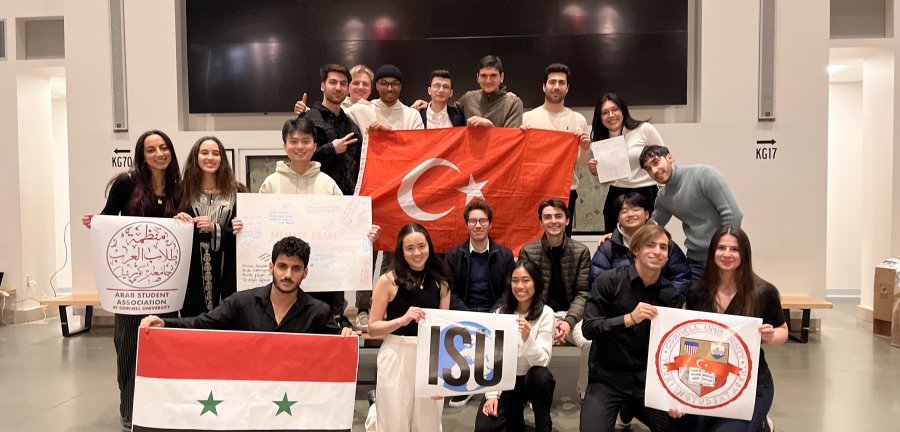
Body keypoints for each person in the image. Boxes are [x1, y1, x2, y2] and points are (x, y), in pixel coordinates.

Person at [81, 130, 181, 431]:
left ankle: (159, 405)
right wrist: (95, 222)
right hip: (131, 284)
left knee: (163, 345)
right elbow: (109, 218)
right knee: (128, 344)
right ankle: (129, 407)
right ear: (142, 154)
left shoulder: (178, 187)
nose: (159, 154)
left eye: (164, 148)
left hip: (166, 286)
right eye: (151, 149)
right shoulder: (127, 183)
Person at [255, 117, 379, 330]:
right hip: (282, 281)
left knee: (318, 336)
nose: (300, 147)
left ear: (314, 145)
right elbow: (256, 226)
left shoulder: (328, 184)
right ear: (284, 146)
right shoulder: (270, 184)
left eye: (306, 141)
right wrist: (243, 226)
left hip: (324, 281)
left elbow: (345, 226)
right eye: (294, 141)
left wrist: (364, 235)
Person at [668, 226, 787, 432]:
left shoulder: (764, 292)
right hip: (705, 378)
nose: (727, 254)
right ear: (712, 251)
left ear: (745, 254)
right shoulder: (697, 291)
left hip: (750, 383)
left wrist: (771, 336)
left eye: (735, 249)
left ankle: (760, 422)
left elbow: (783, 330)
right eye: (721, 248)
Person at [580, 224, 685, 432]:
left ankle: (629, 408)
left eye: (663, 248)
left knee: (684, 425)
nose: (657, 251)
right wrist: (628, 318)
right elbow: (589, 328)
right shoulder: (608, 281)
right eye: (650, 245)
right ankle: (623, 407)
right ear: (636, 249)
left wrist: (675, 393)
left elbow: (674, 347)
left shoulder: (671, 295)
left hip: (647, 381)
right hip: (607, 378)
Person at [140, 236, 353, 337]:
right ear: (271, 267)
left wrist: (347, 335)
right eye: (282, 266)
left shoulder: (318, 312)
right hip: (249, 395)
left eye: (296, 268)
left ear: (305, 272)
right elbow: (202, 323)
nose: (288, 275)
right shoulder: (241, 302)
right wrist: (165, 323)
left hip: (294, 396)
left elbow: (336, 344)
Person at [367, 223, 451, 432]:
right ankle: (375, 409)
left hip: (429, 356)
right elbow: (373, 328)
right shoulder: (388, 281)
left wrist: (443, 376)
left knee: (428, 422)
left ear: (429, 247)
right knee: (393, 421)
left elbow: (444, 333)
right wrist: (401, 321)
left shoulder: (442, 283)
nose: (417, 253)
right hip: (396, 353)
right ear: (401, 251)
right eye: (410, 248)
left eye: (421, 246)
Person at [443, 200, 516, 407]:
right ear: (466, 224)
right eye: (473, 221)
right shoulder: (452, 255)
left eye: (482, 221)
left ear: (490, 225)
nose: (478, 225)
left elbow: (508, 290)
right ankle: (464, 385)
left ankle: (494, 389)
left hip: (495, 311)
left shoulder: (505, 255)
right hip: (463, 312)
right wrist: (468, 315)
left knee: (498, 330)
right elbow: (450, 291)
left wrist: (495, 312)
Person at [518, 198, 591, 400]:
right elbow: (525, 292)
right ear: (541, 222)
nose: (553, 221)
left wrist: (568, 322)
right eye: (547, 217)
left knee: (588, 342)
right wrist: (548, 319)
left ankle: (584, 390)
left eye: (558, 216)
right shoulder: (528, 251)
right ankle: (534, 391)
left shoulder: (581, 251)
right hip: (540, 314)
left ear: (567, 220)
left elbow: (583, 292)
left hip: (572, 316)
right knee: (526, 337)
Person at [474, 259, 556, 432]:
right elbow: (492, 357)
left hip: (530, 380)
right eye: (515, 280)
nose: (520, 286)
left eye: (526, 280)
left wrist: (528, 339)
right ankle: (514, 416)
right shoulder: (501, 312)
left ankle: (543, 421)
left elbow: (543, 361)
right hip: (505, 380)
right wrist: (491, 395)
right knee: (484, 428)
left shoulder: (546, 314)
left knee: (541, 376)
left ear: (536, 283)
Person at [639, 145, 743, 279]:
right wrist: (615, 236)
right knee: (695, 299)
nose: (654, 171)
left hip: (722, 258)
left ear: (670, 158)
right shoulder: (663, 196)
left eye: (656, 162)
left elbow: (733, 215)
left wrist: (724, 251)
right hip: (694, 261)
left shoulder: (704, 175)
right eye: (648, 169)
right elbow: (651, 227)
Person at [175, 136, 246, 317]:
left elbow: (244, 233)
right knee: (195, 322)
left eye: (216, 153)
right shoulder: (182, 191)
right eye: (204, 152)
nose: (210, 157)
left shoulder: (237, 191)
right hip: (193, 273)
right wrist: (177, 220)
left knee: (228, 319)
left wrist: (216, 229)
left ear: (222, 159)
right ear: (195, 157)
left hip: (228, 269)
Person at [522, 63, 591, 235]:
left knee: (562, 242)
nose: (556, 87)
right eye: (552, 82)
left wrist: (585, 147)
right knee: (534, 241)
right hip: (536, 190)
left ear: (567, 88)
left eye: (561, 83)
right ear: (544, 86)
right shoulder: (528, 118)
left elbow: (582, 163)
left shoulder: (578, 119)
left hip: (567, 190)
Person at [586, 93, 666, 233]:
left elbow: (663, 160)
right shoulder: (600, 142)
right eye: (605, 112)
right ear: (600, 117)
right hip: (616, 194)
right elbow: (605, 182)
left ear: (623, 110)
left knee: (647, 241)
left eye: (615, 109)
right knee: (614, 241)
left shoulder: (643, 129)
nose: (611, 115)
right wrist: (596, 173)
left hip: (646, 192)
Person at [589, 192, 692, 295]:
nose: (630, 214)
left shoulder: (664, 244)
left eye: (636, 209)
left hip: (660, 306)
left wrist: (665, 300)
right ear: (618, 218)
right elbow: (597, 280)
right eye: (624, 211)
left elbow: (681, 277)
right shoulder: (608, 247)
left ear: (647, 214)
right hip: (620, 307)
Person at [294, 64, 362, 196]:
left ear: (348, 89)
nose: (338, 87)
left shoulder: (352, 126)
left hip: (348, 203)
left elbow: (359, 168)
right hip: (315, 200)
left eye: (343, 84)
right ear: (322, 86)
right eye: (333, 82)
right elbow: (297, 159)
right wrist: (331, 148)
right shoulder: (307, 120)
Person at [346, 64, 425, 132]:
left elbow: (418, 144)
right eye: (384, 83)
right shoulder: (361, 110)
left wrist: (391, 130)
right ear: (377, 86)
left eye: (394, 84)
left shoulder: (413, 115)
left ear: (400, 86)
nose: (389, 89)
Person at [455, 55, 524, 127]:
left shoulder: (513, 104)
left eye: (493, 75)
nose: (488, 80)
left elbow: (511, 137)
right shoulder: (468, 98)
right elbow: (447, 118)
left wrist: (491, 128)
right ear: (477, 77)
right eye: (483, 75)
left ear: (501, 77)